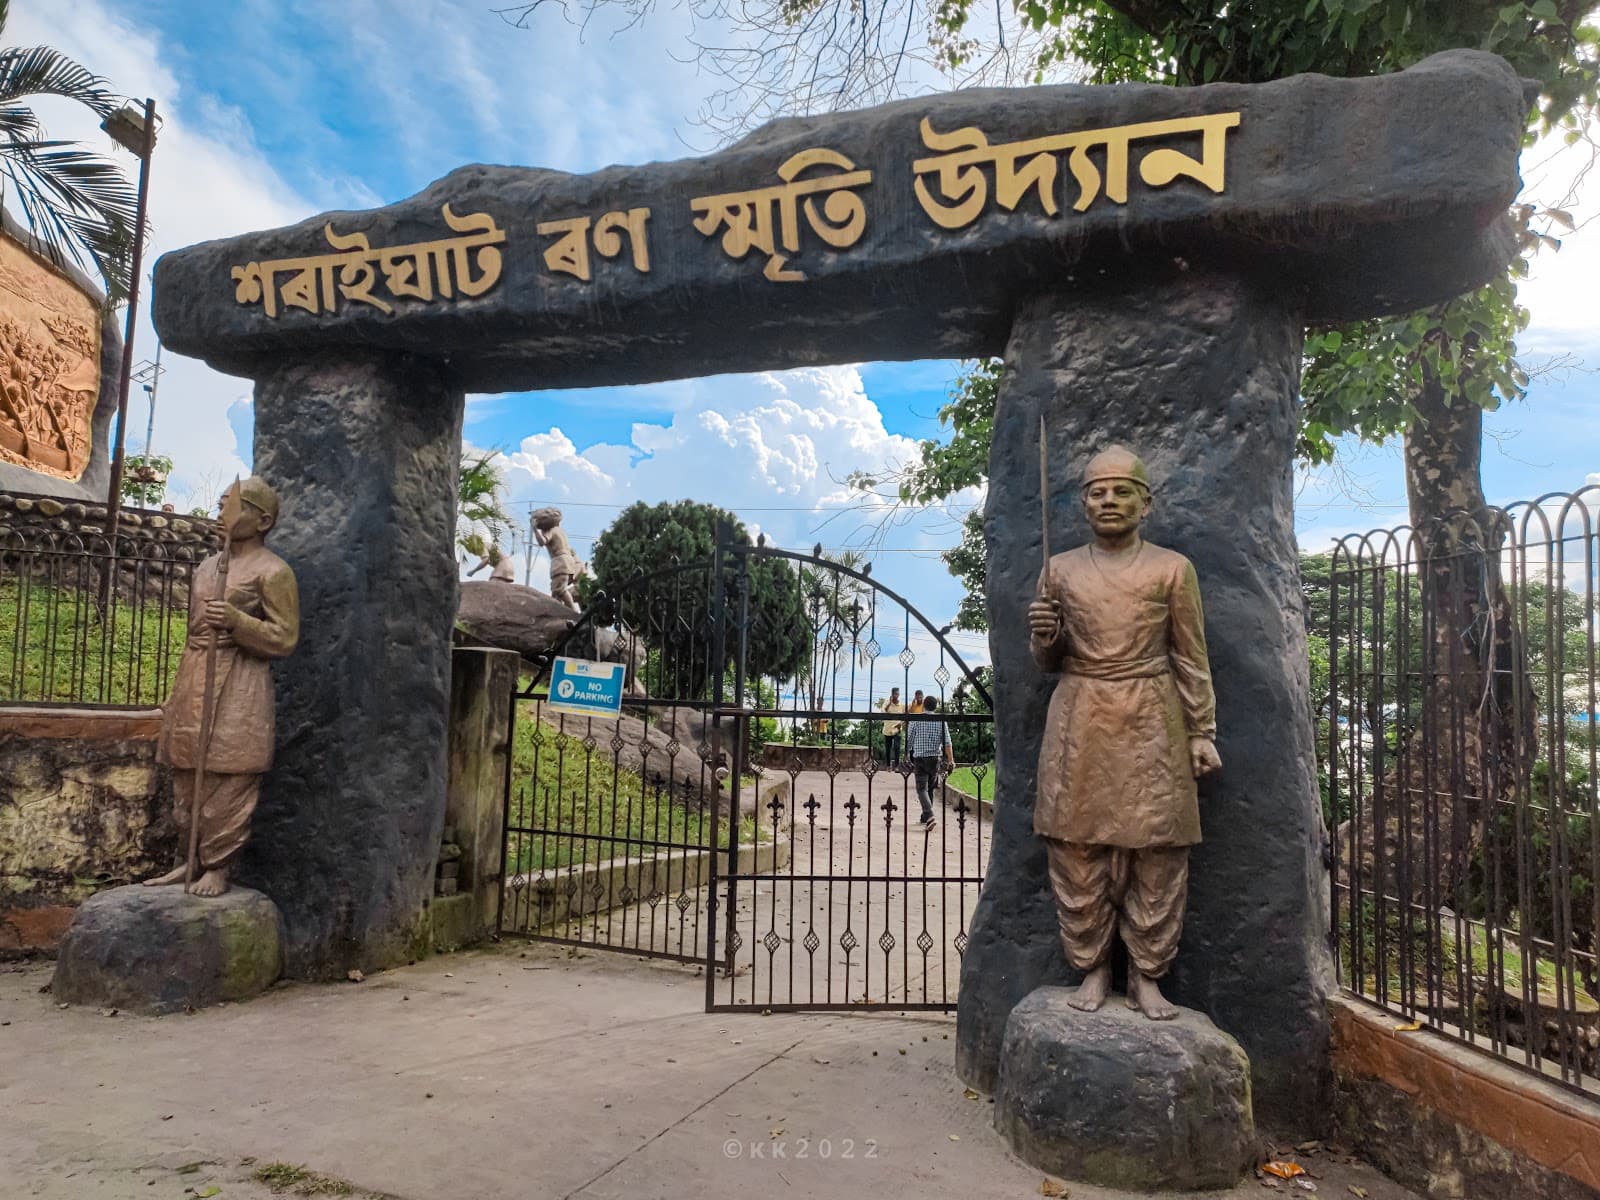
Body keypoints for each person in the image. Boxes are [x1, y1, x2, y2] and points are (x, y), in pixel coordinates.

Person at [1027, 446, 1221, 1021]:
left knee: (1158, 850)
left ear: (1145, 503)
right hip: (1080, 714)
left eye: (1121, 491)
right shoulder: (1059, 569)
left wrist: (1201, 731)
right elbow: (1048, 662)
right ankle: (1092, 968)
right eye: (1097, 492)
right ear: (1084, 503)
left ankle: (1146, 975)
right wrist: (1044, 636)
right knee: (1076, 849)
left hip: (1152, 717)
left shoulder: (1172, 569)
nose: (1108, 500)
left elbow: (1190, 656)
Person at [144, 477, 300, 897]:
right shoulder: (207, 566)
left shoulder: (274, 572)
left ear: (262, 520)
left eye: (232, 505)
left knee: (229, 776)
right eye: (220, 504)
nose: (221, 513)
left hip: (240, 681)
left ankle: (218, 865)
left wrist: (237, 621)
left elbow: (285, 638)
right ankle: (188, 859)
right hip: (196, 673)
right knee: (186, 772)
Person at [905, 695, 953, 831]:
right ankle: (925, 817)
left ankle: (930, 815)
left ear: (924, 705)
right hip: (935, 759)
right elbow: (947, 743)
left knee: (921, 789)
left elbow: (909, 740)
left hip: (920, 758)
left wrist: (906, 754)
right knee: (930, 789)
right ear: (935, 707)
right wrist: (951, 760)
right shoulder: (941, 721)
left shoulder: (916, 719)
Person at [879, 687, 906, 766]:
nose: (896, 696)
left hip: (897, 728)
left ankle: (896, 765)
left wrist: (901, 723)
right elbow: (883, 711)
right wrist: (890, 703)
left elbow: (905, 716)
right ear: (892, 694)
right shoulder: (886, 702)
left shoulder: (901, 704)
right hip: (887, 728)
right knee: (888, 748)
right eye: (895, 694)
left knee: (897, 747)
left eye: (897, 694)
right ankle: (888, 765)